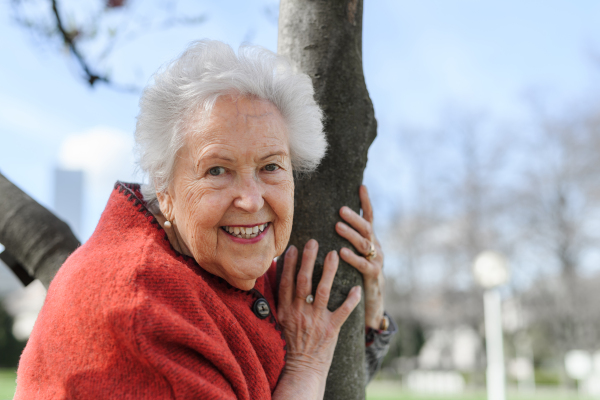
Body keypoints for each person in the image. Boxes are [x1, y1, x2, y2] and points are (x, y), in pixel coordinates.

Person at [15, 40, 395, 399]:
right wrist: (306, 366)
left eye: (271, 167)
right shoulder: (139, 310)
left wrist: (367, 307)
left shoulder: (225, 262)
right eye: (217, 170)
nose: (250, 200)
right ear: (164, 190)